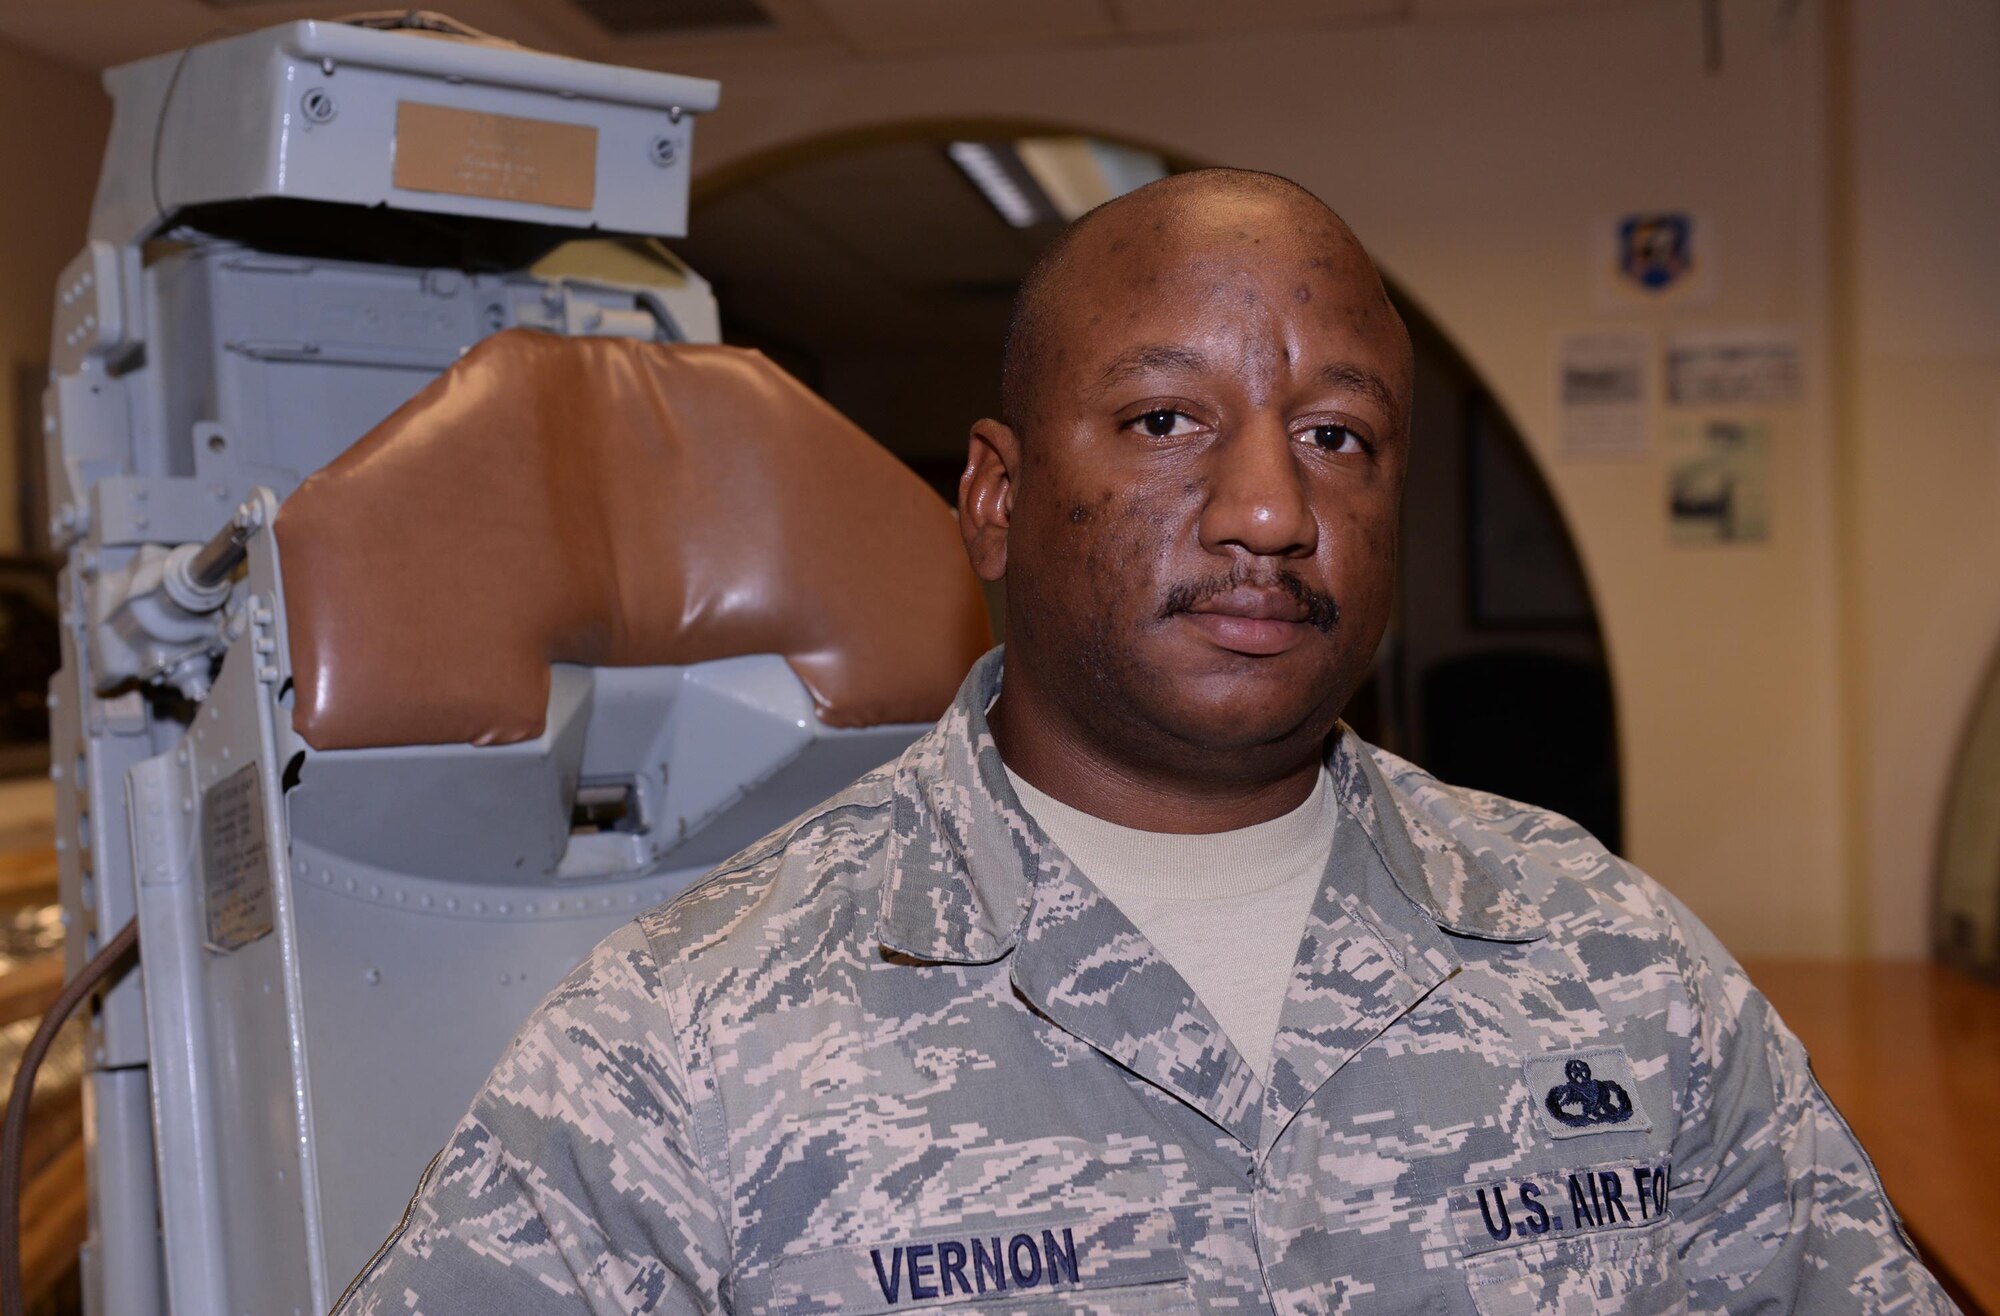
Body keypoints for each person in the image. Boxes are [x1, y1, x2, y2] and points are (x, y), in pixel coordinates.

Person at [335, 170, 1952, 1315]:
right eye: (1166, 421)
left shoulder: (1605, 956)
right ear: (996, 496)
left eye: (1338, 438)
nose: (1268, 510)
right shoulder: (694, 1029)